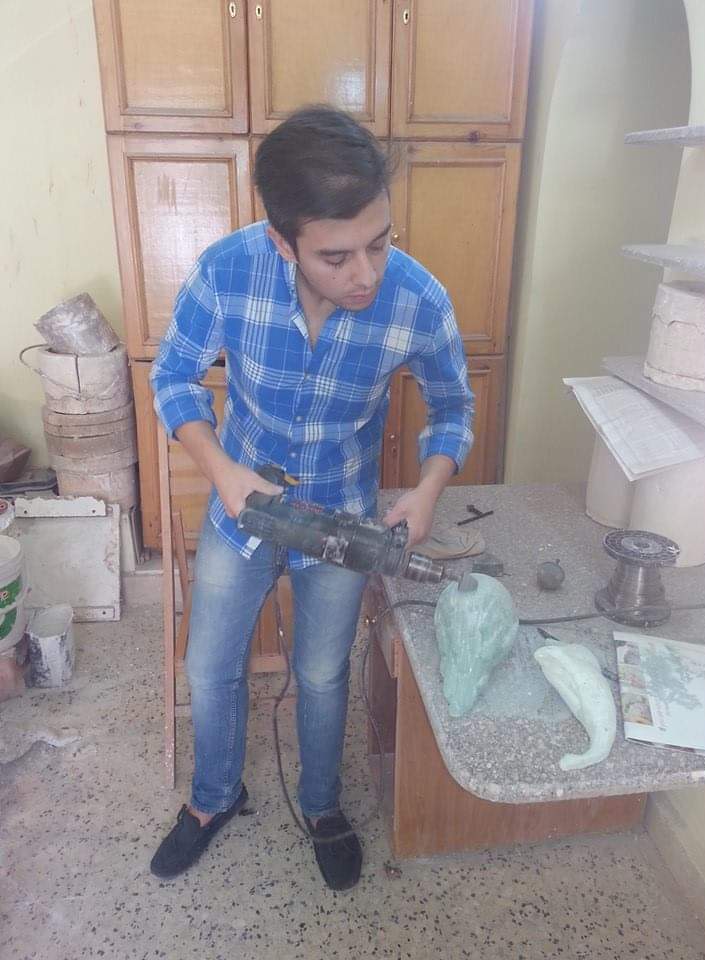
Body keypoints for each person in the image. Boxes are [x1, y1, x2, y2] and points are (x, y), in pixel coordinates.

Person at [149, 105, 474, 890]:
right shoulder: (228, 269)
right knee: (209, 666)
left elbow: (453, 407)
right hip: (243, 507)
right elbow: (173, 377)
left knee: (324, 674)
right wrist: (223, 472)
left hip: (343, 518)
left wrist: (429, 487)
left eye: (380, 242)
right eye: (336, 256)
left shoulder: (418, 298)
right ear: (282, 242)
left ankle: (322, 805)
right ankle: (214, 797)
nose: (366, 274)